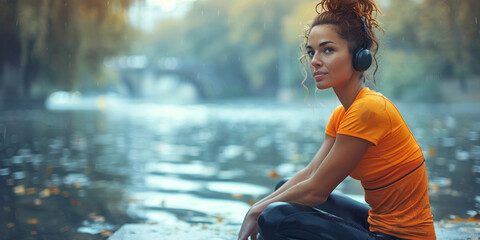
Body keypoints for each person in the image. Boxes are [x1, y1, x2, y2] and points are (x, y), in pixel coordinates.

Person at [237, 0, 436, 239]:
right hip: (378, 225)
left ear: (359, 58)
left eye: (327, 50)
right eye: (311, 52)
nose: (314, 61)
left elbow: (316, 192)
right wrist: (257, 207)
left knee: (274, 217)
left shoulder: (368, 110)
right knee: (284, 189)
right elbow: (311, 172)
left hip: (403, 237)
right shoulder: (343, 114)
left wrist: (256, 211)